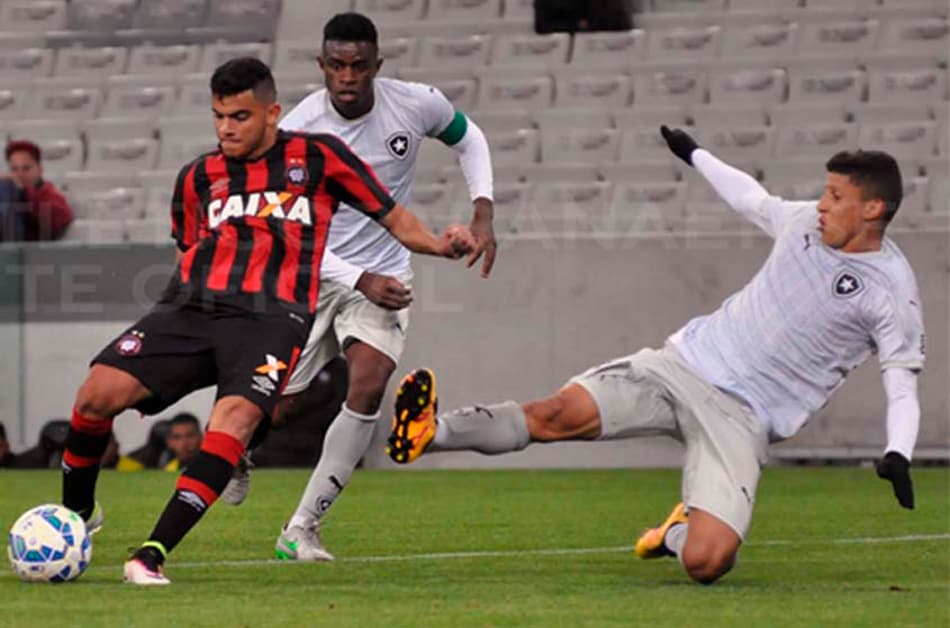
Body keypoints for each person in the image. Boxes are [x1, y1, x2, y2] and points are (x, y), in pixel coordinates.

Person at [387, 125, 924, 585]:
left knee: (708, 563)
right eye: (824, 192)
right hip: (683, 365)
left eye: (835, 196)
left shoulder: (890, 292)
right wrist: (696, 154)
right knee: (555, 414)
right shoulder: (805, 222)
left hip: (743, 416)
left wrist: (898, 452)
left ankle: (678, 532)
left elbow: (901, 383)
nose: (822, 204)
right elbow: (750, 197)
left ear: (872, 208)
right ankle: (431, 433)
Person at [58, 57, 476, 586]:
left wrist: (439, 244)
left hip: (269, 321)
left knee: (232, 425)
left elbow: (393, 217)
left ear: (272, 113)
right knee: (94, 396)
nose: (226, 129)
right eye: (218, 117)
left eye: (238, 117)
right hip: (191, 309)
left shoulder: (318, 158)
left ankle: (150, 555)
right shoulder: (196, 176)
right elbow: (187, 244)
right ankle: (77, 516)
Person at [219, 13, 496, 562]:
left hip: (386, 271)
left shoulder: (414, 104)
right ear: (321, 66)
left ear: (377, 67)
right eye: (337, 66)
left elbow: (470, 138)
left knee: (367, 384)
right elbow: (281, 227)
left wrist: (482, 211)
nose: (348, 77)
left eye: (359, 66)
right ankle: (240, 445)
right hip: (313, 272)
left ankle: (302, 527)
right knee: (279, 406)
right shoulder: (297, 130)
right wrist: (356, 278)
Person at [0, 140, 73, 241]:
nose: (19, 174)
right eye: (14, 169)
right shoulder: (6, 191)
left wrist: (24, 193)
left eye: (26, 168)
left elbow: (58, 219)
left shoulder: (49, 194)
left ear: (39, 169)